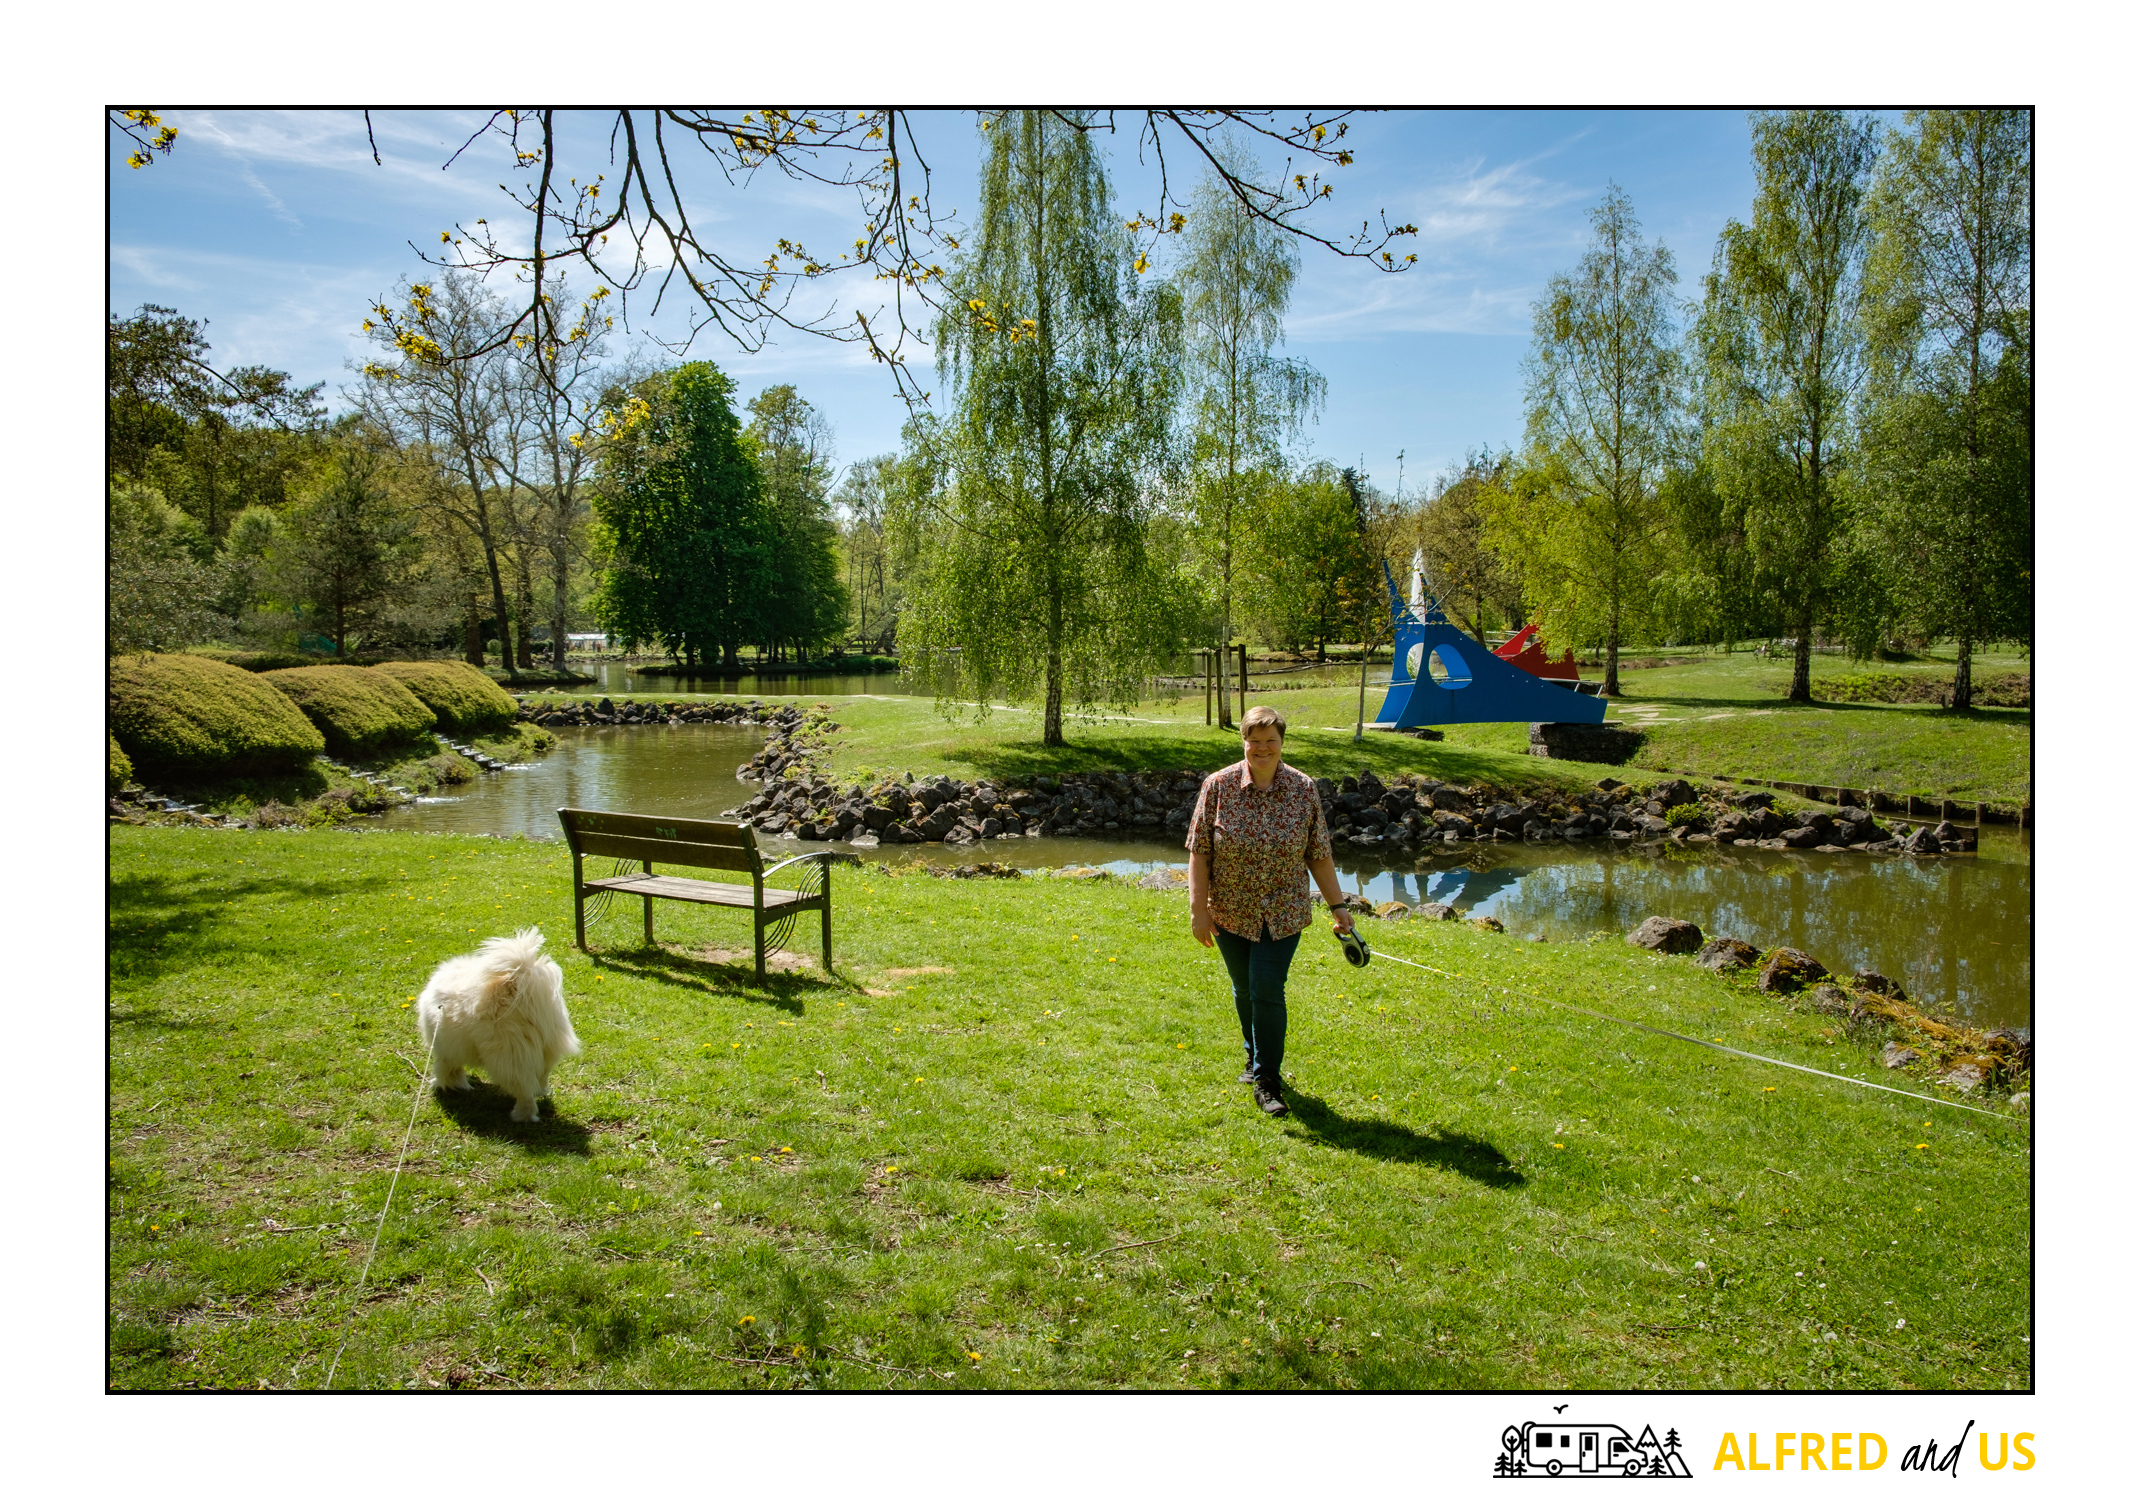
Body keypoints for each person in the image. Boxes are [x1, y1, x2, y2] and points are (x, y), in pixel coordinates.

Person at [1185, 704, 1356, 1117]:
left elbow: (1318, 853)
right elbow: (1199, 852)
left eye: (1271, 741)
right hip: (1230, 910)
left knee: (1265, 986)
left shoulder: (1303, 789)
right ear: (1244, 741)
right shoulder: (1218, 786)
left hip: (1284, 911)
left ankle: (1267, 1081)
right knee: (1244, 988)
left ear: (1282, 742)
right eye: (1255, 740)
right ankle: (1253, 1053)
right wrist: (1198, 910)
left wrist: (1338, 906)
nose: (1263, 748)